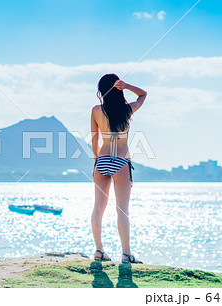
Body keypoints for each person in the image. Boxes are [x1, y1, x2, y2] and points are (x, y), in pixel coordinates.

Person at [90, 73, 147, 263]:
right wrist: (127, 85)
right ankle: (126, 254)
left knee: (98, 207)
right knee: (122, 210)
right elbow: (143, 95)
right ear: (117, 89)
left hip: (102, 160)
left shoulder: (96, 110)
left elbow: (95, 140)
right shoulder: (127, 109)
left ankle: (99, 251)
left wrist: (96, 162)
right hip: (120, 161)